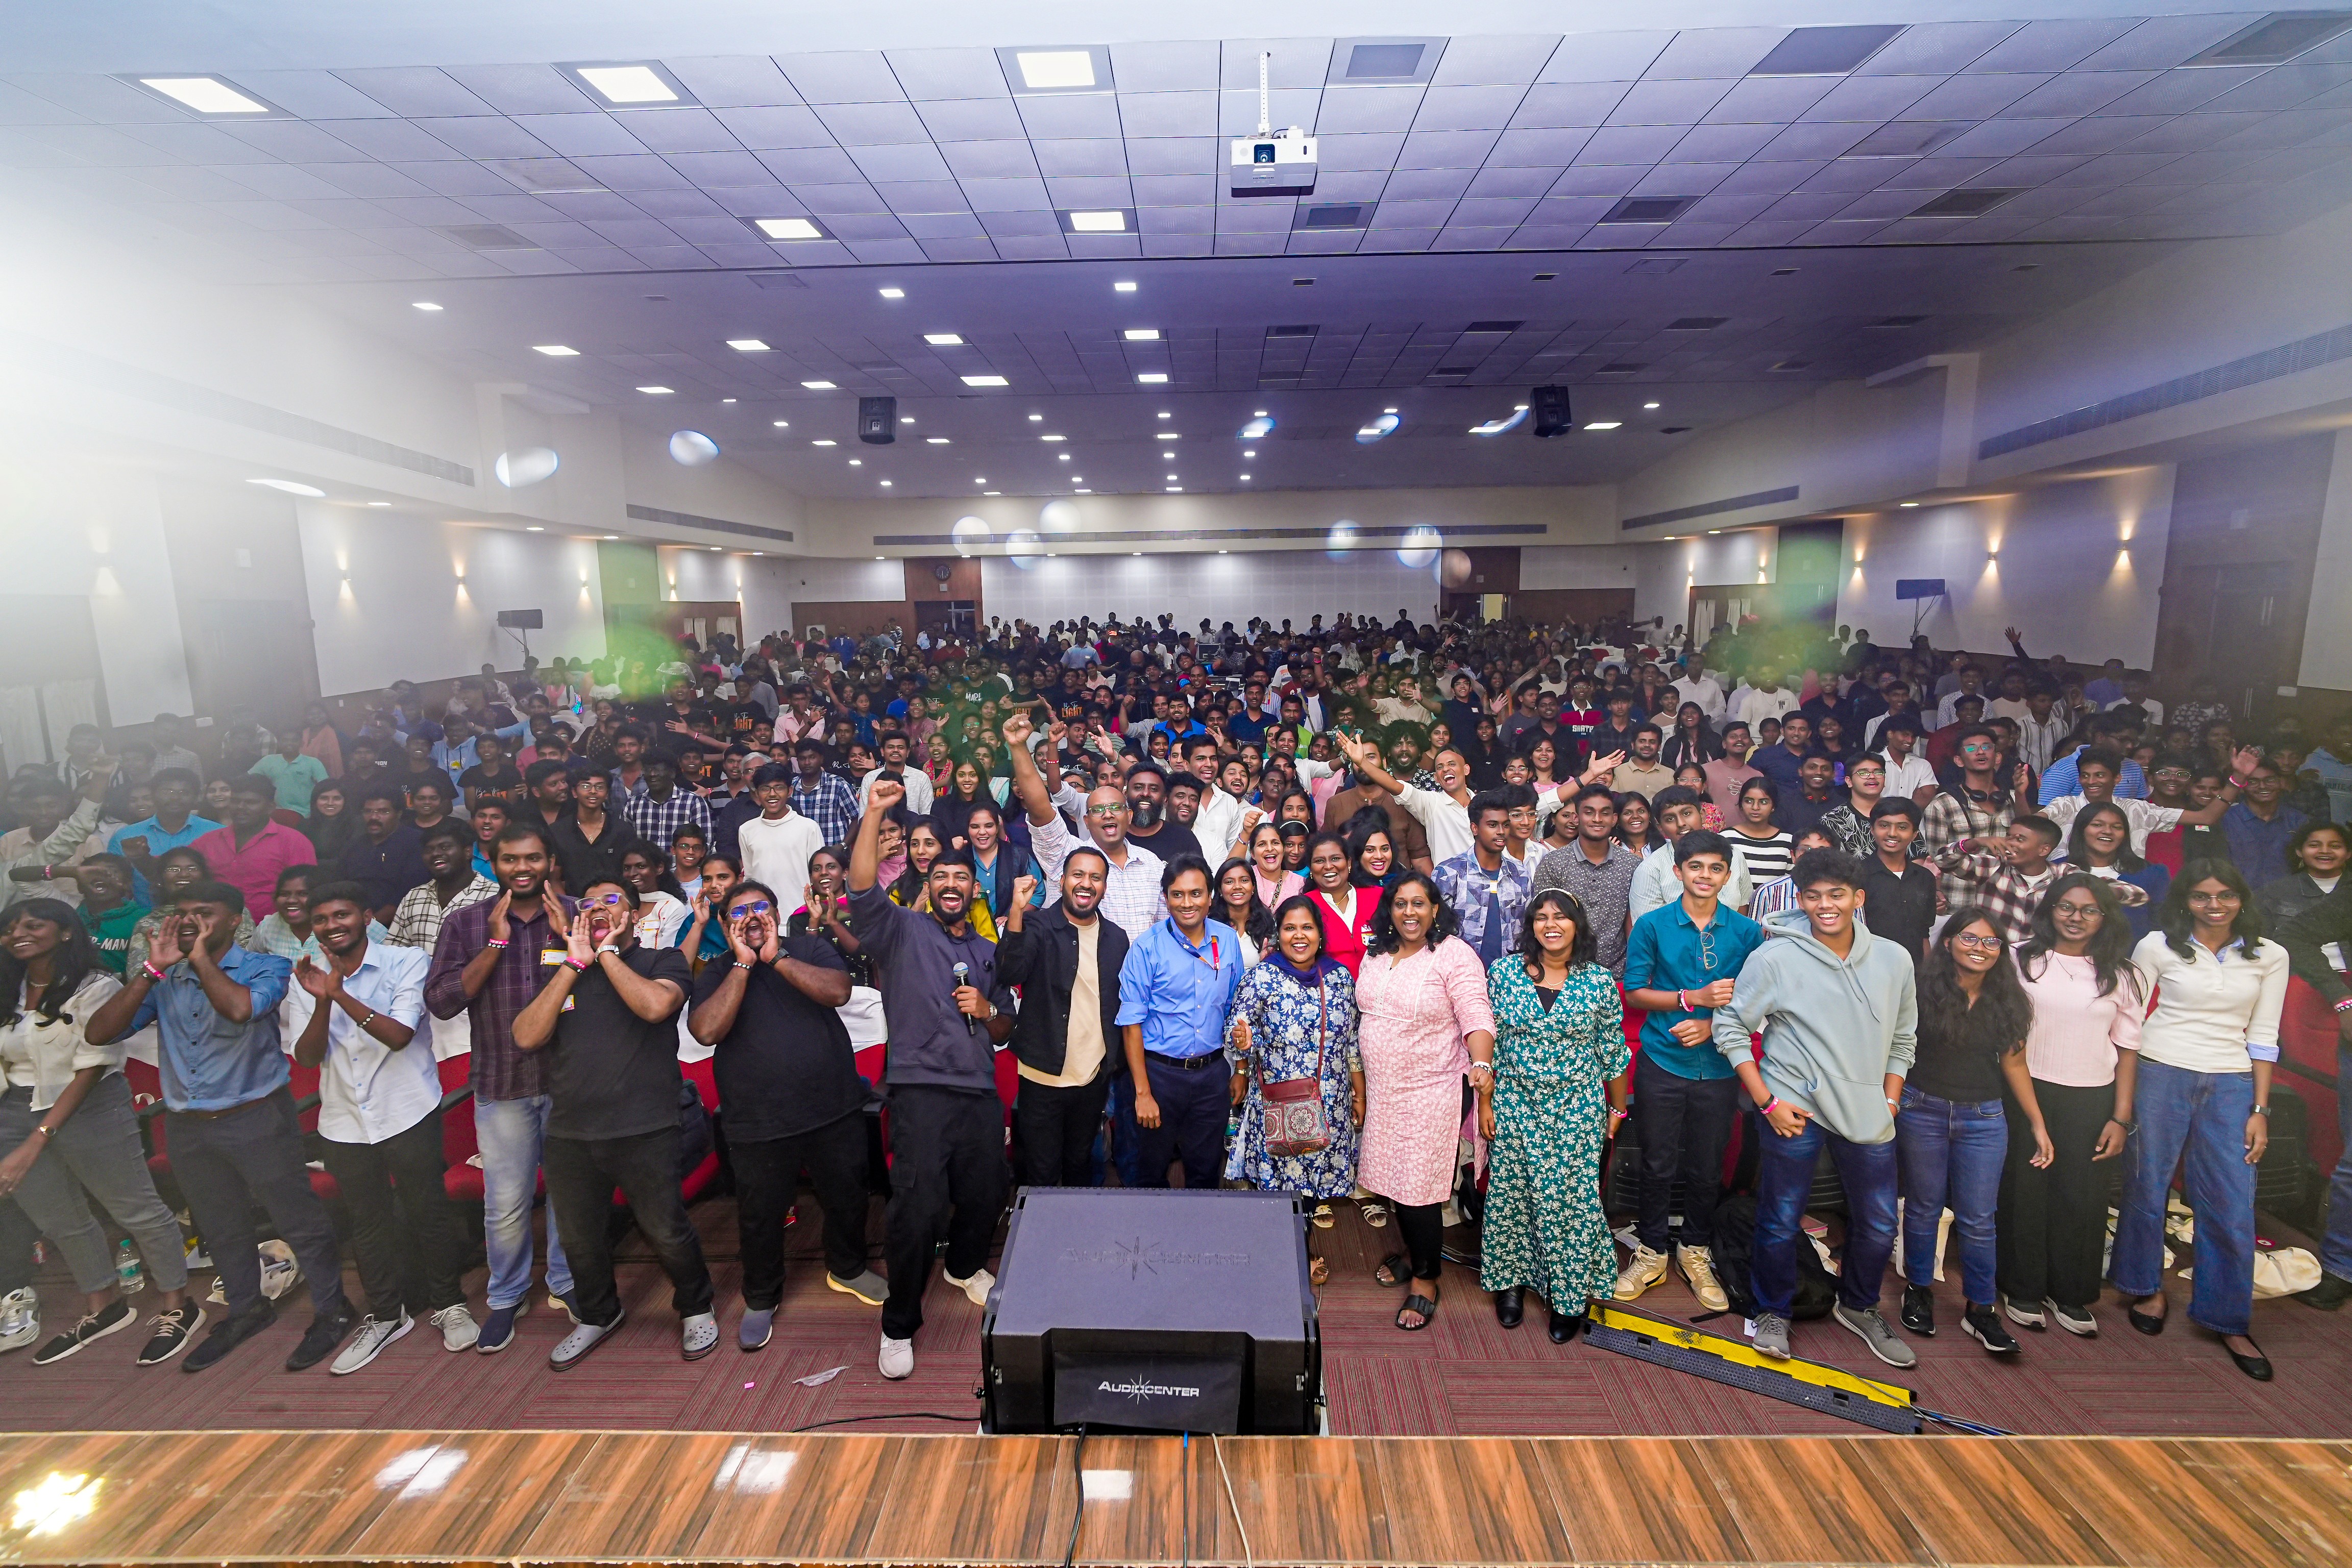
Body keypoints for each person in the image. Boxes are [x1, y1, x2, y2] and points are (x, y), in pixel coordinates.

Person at [86, 880, 356, 1374]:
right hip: (188, 1125)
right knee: (220, 1225)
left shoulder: (266, 967)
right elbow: (100, 1032)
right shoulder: (166, 976)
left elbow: (241, 1010)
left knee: (297, 1219)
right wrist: (150, 971)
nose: (191, 921)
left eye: (204, 913)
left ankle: (333, 1309)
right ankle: (247, 1308)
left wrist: (200, 960)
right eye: (184, 912)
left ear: (235, 920)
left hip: (257, 1116)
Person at [1709, 849, 1918, 1368]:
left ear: (1858, 898)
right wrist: (1767, 1102)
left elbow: (1904, 1038)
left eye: (1837, 895)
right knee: (1781, 1219)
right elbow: (1729, 1027)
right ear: (1800, 900)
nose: (1826, 905)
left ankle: (1860, 1305)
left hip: (1868, 1109)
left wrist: (1891, 1098)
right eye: (1814, 896)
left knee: (1878, 1225)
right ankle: (1773, 1310)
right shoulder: (1775, 957)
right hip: (1793, 1106)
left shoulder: (1895, 959)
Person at [847, 777, 1016, 1381]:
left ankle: (964, 1267)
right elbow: (861, 886)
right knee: (916, 1212)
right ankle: (898, 1324)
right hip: (920, 1092)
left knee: (988, 1193)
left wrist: (987, 1011)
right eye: (940, 876)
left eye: (960, 878)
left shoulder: (989, 950)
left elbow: (1005, 1028)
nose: (950, 884)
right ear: (928, 884)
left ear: (974, 889)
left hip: (979, 1094)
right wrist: (874, 813)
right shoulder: (902, 930)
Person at [512, 876, 713, 1367]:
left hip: (646, 1127)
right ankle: (599, 1314)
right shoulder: (563, 967)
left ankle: (696, 1307)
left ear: (635, 916)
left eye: (610, 900)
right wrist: (574, 963)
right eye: (588, 902)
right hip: (571, 1131)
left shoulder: (662, 960)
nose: (597, 907)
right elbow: (526, 1037)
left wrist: (605, 955)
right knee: (579, 1239)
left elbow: (656, 1007)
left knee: (665, 1230)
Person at [286, 881, 476, 1370]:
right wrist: (323, 1000)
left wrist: (340, 995)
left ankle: (450, 1305)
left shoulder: (405, 961)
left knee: (428, 1212)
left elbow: (399, 1034)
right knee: (366, 1223)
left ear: (366, 917)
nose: (332, 926)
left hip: (407, 1107)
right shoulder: (305, 976)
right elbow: (306, 1056)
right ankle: (387, 1316)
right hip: (343, 1119)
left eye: (342, 915)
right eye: (322, 919)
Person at [0, 900, 198, 1366]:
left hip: (90, 1106)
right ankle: (104, 1306)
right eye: (10, 928)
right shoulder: (9, 988)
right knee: (59, 1219)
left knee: (136, 1210)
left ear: (67, 932)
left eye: (33, 925)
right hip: (15, 1111)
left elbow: (92, 1065)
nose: (18, 933)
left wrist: (38, 1138)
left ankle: (178, 1305)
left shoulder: (96, 985)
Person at [688, 881, 882, 1350]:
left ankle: (848, 1268)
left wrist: (776, 958)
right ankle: (761, 1296)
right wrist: (744, 964)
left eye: (761, 907)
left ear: (776, 914)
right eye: (739, 912)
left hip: (832, 1107)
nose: (752, 916)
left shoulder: (809, 947)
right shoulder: (717, 970)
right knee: (760, 1215)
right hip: (757, 1121)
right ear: (725, 926)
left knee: (847, 1196)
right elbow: (707, 1030)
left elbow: (838, 992)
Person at [2113, 862, 2287, 1380]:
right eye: (2202, 896)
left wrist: (2260, 1110)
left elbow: (2265, 1035)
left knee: (2232, 1202)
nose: (2215, 906)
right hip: (2160, 1071)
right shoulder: (2157, 945)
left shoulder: (2270, 954)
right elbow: (2129, 1018)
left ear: (2242, 899)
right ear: (2185, 901)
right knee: (2147, 1186)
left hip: (2232, 1084)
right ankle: (2145, 1288)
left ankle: (2227, 1316)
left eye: (2226, 895)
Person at [423, 823, 578, 1354]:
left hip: (569, 1082)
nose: (523, 868)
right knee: (506, 1203)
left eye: (533, 858)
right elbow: (442, 1002)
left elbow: (606, 990)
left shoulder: (577, 913)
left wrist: (568, 938)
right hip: (502, 1081)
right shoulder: (466, 922)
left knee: (568, 1195)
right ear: (493, 863)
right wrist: (494, 944)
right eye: (511, 859)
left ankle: (565, 1283)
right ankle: (507, 1296)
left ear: (549, 861)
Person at [1619, 830, 1766, 1312]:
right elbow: (1635, 992)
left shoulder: (1746, 932)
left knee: (1707, 1166)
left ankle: (1695, 1251)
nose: (1705, 876)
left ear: (1728, 875)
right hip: (1662, 1060)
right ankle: (1651, 1252)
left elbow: (1756, 1000)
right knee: (1657, 1163)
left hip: (1722, 1066)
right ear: (1678, 871)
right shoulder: (1653, 925)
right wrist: (1690, 999)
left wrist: (1710, 1024)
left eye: (1716, 868)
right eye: (1696, 866)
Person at [1893, 910, 2047, 1356]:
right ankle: (1918, 1290)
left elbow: (2015, 1065)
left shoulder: (2010, 1001)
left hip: (1984, 1118)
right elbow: (1895, 1047)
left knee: (1979, 1219)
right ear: (1948, 943)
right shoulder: (1920, 989)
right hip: (1921, 1109)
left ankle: (1981, 1309)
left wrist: (2038, 1123)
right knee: (1923, 1208)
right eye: (1970, 938)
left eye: (1991, 942)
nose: (1980, 948)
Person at [1482, 890, 1628, 1342]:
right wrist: (1485, 1103)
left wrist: (1618, 1108)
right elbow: (1489, 1040)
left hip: (1577, 1109)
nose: (1551, 925)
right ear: (1530, 926)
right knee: (1512, 1195)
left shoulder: (1598, 981)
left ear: (1576, 925)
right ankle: (1511, 1285)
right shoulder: (1504, 973)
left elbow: (1613, 1051)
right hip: (1514, 1104)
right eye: (1541, 917)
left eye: (1561, 917)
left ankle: (1568, 1297)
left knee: (1572, 1201)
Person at [1354, 871, 1497, 1331]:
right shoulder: (1377, 953)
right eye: (1401, 903)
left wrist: (1482, 1062)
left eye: (1419, 903)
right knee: (1395, 1181)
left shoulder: (1454, 955)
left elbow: (1476, 1013)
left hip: (1431, 1089)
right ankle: (1417, 1253)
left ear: (1435, 909)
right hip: (1385, 1090)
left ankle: (1426, 1279)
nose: (1409, 912)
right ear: (1390, 910)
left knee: (1418, 1188)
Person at [2003, 874, 2142, 1336]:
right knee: (2025, 1191)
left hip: (2093, 1097)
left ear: (2105, 917)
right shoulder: (2020, 958)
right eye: (2066, 907)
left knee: (2081, 1197)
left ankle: (2070, 1292)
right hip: (2027, 1090)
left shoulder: (2123, 973)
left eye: (2089, 910)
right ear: (2050, 910)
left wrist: (2121, 1117)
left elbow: (2128, 1051)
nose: (2076, 917)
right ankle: (2022, 1287)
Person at [1228, 896, 1363, 1283]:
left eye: (1307, 928)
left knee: (1314, 1183)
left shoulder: (1339, 978)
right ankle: (1289, 1260)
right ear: (1278, 934)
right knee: (1282, 1188)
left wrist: (1359, 1092)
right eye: (1290, 928)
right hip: (1279, 1103)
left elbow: (1351, 1041)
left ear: (1320, 934)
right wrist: (1242, 1041)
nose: (1299, 936)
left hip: (1329, 1101)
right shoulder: (1261, 978)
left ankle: (1296, 1253)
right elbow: (1237, 1033)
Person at [997, 853, 1128, 1189]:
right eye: (1078, 875)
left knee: (1080, 1166)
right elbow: (1009, 972)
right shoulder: (1037, 926)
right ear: (1062, 881)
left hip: (1092, 1078)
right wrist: (1017, 910)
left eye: (1096, 877)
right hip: (1042, 1076)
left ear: (1105, 887)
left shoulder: (1116, 938)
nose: (1086, 883)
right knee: (1041, 1174)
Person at [1119, 855, 1246, 1189]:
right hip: (1159, 1077)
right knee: (1150, 1172)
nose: (1187, 903)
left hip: (1212, 1075)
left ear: (1211, 897)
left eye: (1196, 893)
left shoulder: (1226, 940)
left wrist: (1240, 1069)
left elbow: (1237, 1009)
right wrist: (1143, 1093)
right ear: (1166, 898)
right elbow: (1131, 1025)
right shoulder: (1146, 948)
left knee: (1205, 1172)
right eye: (1178, 894)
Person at [1531, 785, 1641, 975]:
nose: (1597, 819)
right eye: (1589, 813)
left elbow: (1635, 923)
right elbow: (1541, 920)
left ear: (1614, 819)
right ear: (1577, 817)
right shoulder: (1554, 863)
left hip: (1618, 975)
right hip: (1564, 974)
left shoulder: (1632, 865)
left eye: (1605, 813)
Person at [190, 774, 317, 921]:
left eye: (251, 802)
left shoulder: (294, 842)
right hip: (216, 927)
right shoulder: (207, 842)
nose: (240, 808)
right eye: (235, 801)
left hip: (274, 929)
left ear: (270, 808)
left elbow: (308, 892)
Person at [1432, 790, 1531, 969]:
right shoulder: (1449, 874)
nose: (1501, 832)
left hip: (1510, 975)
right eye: (1493, 825)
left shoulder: (1520, 876)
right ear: (1475, 828)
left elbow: (1527, 930)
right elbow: (1435, 930)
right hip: (1458, 973)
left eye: (1506, 825)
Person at [1628, 785, 1754, 923]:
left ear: (1702, 815)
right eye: (1670, 819)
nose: (1681, 823)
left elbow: (1742, 912)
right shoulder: (1650, 870)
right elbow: (1649, 928)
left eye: (1687, 813)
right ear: (1660, 828)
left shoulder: (1735, 856)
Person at [736, 764, 825, 919]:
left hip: (802, 915)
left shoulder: (808, 827)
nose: (772, 794)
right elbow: (750, 877)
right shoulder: (746, 830)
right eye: (765, 789)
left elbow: (819, 875)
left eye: (779, 788)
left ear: (789, 791)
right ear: (757, 793)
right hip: (763, 917)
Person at [1856, 800, 1938, 961]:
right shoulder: (1856, 875)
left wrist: (1927, 972)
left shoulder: (1924, 878)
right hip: (1869, 966)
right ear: (1872, 829)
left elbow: (1924, 933)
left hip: (1914, 968)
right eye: (1884, 826)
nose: (1892, 834)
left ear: (1915, 834)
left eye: (1902, 827)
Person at [338, 784, 428, 925]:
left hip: (402, 922)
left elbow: (408, 895)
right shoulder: (353, 846)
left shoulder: (416, 843)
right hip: (355, 920)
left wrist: (369, 926)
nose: (374, 817)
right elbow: (341, 889)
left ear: (399, 814)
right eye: (368, 811)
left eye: (384, 812)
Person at [2258, 821, 2346, 928]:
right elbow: (2263, 937)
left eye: (2335, 846)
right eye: (2314, 845)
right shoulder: (2273, 892)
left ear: (2349, 853)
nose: (2325, 851)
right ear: (2299, 851)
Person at [1725, 778, 1796, 891]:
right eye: (1749, 801)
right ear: (1741, 804)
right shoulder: (1726, 838)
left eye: (1763, 802)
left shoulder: (1787, 841)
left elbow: (1790, 884)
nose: (1755, 807)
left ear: (1773, 806)